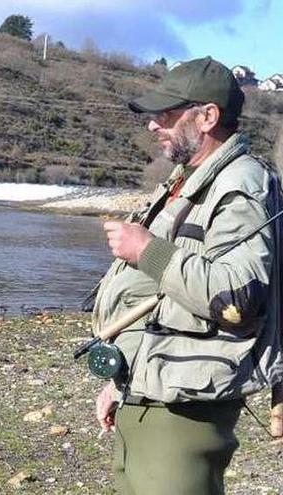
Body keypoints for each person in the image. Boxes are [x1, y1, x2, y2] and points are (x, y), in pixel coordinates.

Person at [91, 57, 283, 494]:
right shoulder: (187, 178)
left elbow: (237, 296)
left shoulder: (240, 184)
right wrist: (122, 383)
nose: (153, 125)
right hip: (150, 392)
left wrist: (146, 250)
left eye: (166, 114)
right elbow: (157, 298)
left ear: (207, 116)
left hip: (184, 409)